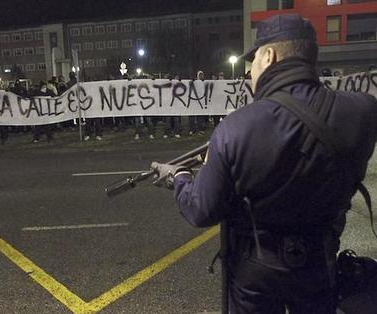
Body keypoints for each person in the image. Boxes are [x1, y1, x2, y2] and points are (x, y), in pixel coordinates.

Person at [150, 14, 377, 313]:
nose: (251, 72)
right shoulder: (362, 112)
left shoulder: (236, 128)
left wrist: (179, 177)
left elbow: (201, 210)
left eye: (253, 60)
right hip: (319, 266)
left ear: (268, 56)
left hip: (255, 277)